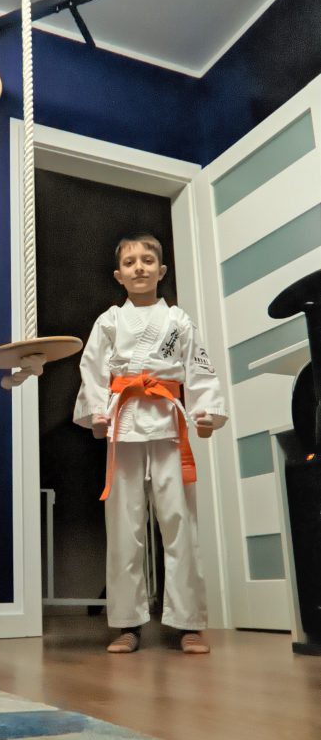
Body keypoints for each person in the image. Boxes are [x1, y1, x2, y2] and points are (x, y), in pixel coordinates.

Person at [73, 233, 228, 655]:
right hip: (123, 423)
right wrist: (96, 413)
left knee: (180, 522)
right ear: (119, 276)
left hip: (167, 423)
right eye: (129, 262)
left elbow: (199, 368)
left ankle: (188, 622)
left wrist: (207, 412)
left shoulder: (179, 320)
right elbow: (92, 370)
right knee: (123, 527)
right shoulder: (108, 321)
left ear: (160, 271)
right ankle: (127, 623)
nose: (138, 267)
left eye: (147, 260)